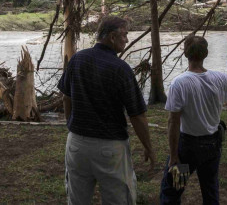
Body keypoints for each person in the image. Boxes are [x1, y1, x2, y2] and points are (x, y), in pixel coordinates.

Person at [58, 15, 156, 205]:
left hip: (76, 144)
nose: (127, 40)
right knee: (118, 200)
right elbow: (137, 115)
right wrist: (148, 147)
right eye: (125, 35)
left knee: (77, 200)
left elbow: (66, 97)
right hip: (110, 148)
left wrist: (71, 125)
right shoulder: (121, 69)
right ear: (112, 37)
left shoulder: (78, 59)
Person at [159, 34, 227, 204]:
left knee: (174, 191)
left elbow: (173, 122)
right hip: (212, 147)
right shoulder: (219, 79)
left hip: (187, 149)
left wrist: (173, 156)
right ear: (206, 54)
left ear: (185, 54)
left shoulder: (179, 83)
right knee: (210, 191)